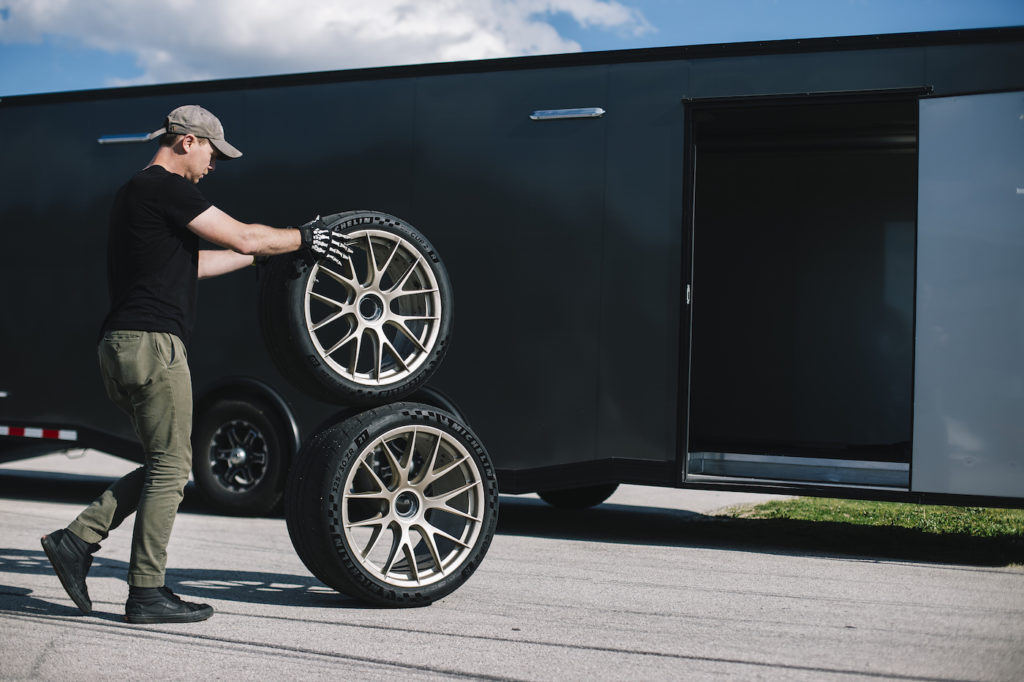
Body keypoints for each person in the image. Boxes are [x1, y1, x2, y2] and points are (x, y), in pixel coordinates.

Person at [40, 104, 350, 624]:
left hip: (123, 345)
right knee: (173, 468)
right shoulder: (166, 187)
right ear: (187, 141)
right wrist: (303, 238)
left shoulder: (135, 193)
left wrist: (261, 257)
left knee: (167, 463)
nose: (213, 164)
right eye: (211, 151)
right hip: (154, 345)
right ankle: (145, 591)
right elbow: (244, 233)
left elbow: (198, 264)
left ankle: (76, 541)